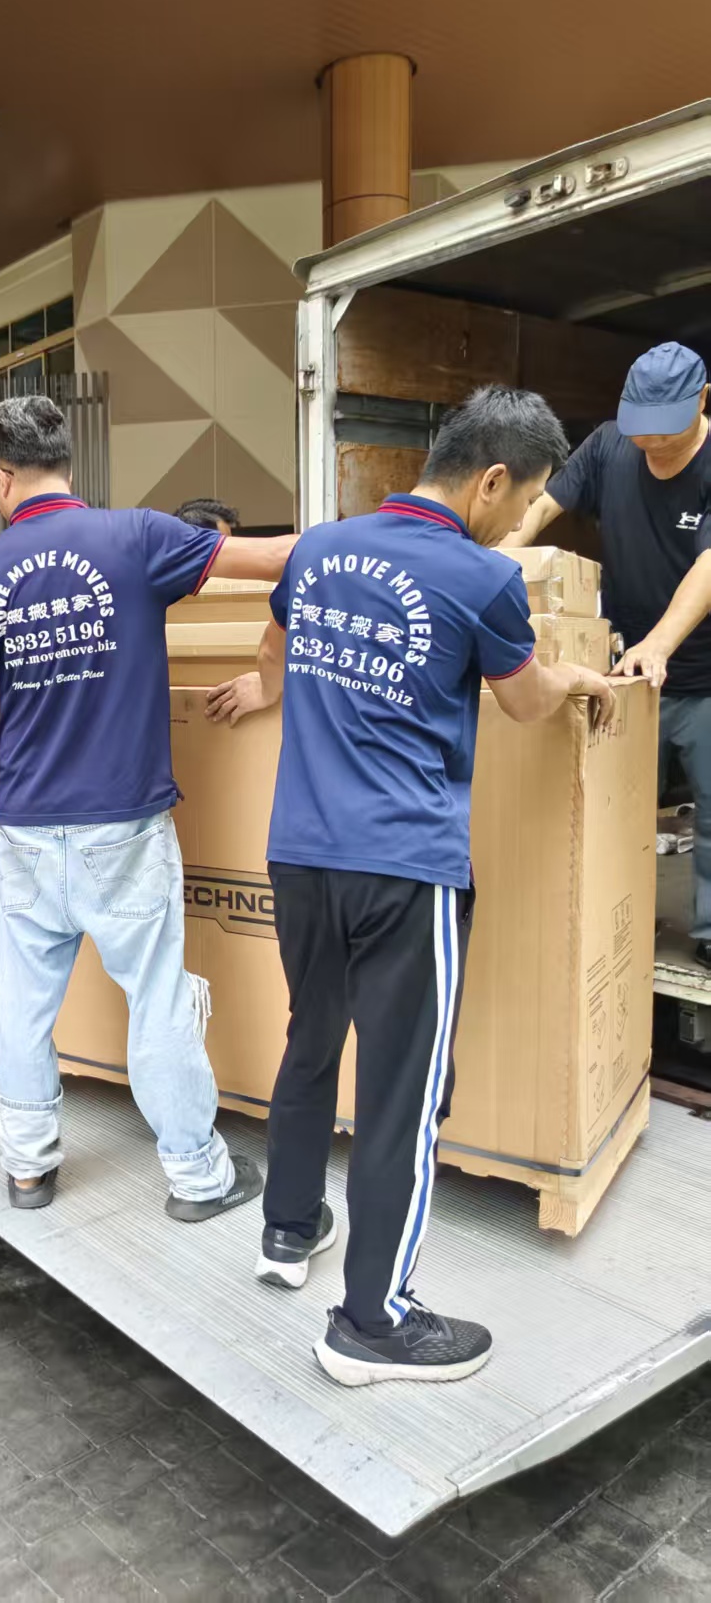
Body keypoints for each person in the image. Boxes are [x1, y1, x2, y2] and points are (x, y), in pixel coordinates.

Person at [207, 387, 615, 1386]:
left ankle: (287, 1231)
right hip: (403, 869)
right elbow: (521, 701)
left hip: (300, 853)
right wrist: (577, 679)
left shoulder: (317, 550)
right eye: (517, 506)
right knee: (402, 1095)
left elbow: (276, 642)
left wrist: (268, 684)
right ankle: (372, 1322)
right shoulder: (480, 576)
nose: (513, 525)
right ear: (487, 478)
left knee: (311, 1038)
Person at [0, 395, 297, 1219]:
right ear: (68, 464)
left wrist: (7, 785)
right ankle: (195, 1177)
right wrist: (272, 673)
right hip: (124, 828)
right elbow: (284, 559)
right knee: (157, 997)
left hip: (28, 828)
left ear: (0, 477)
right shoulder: (138, 538)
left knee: (24, 1004)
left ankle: (28, 1169)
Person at [510, 342, 711, 965]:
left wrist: (660, 642)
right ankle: (619, 916)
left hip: (702, 676)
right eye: (641, 431)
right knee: (617, 807)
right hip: (627, 674)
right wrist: (500, 557)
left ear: (703, 400)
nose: (651, 444)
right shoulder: (606, 446)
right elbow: (545, 502)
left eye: (666, 433)